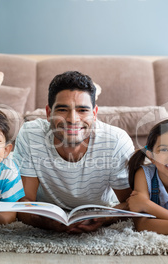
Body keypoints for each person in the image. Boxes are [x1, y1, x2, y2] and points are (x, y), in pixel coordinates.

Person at [13, 71, 135, 233]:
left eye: (82, 110)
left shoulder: (116, 141)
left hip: (101, 206)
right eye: (63, 109)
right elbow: (23, 201)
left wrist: (104, 218)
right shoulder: (30, 134)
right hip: (47, 211)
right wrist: (48, 223)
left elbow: (131, 203)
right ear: (49, 113)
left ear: (94, 113)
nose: (72, 119)